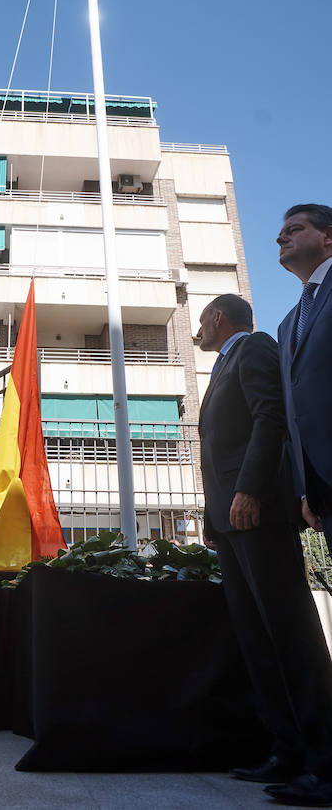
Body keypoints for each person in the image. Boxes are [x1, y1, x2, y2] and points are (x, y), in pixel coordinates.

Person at [196, 294, 332, 807]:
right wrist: (214, 517)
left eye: (203, 322)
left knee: (289, 634)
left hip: (256, 512)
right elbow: (219, 446)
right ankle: (286, 750)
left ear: (217, 318)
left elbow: (269, 420)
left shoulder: (254, 348)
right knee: (257, 639)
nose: (199, 332)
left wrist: (249, 490)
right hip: (229, 522)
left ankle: (323, 759)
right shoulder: (218, 368)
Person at [277, 203, 332, 558]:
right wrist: (304, 490)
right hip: (322, 489)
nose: (280, 237)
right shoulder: (286, 325)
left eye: (294, 229)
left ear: (328, 237)